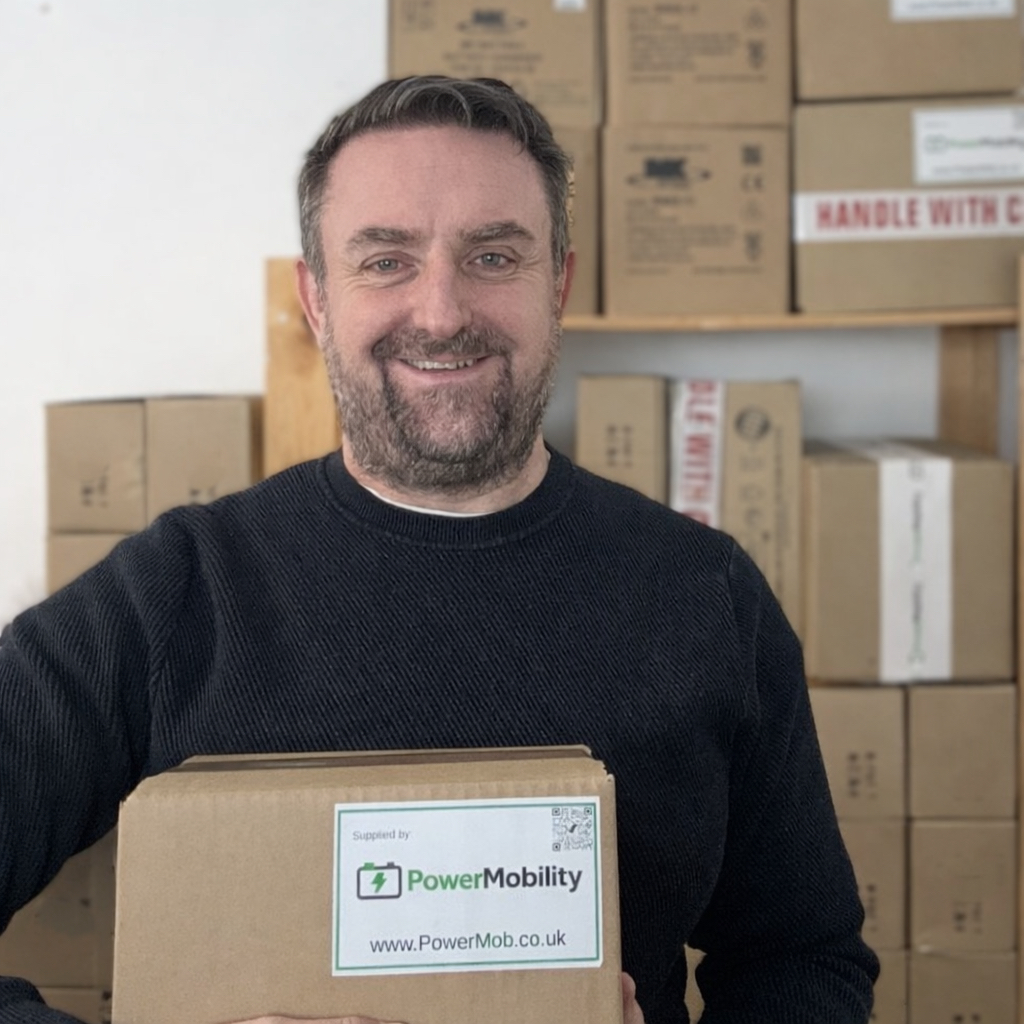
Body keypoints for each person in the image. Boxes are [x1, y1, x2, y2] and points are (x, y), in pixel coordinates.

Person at [0, 76, 877, 1024]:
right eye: (386, 261)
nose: (441, 312)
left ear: (557, 286)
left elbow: (803, 957)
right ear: (316, 300)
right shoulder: (173, 596)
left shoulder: (704, 594)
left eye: (493, 255)